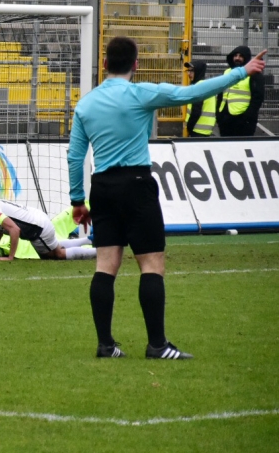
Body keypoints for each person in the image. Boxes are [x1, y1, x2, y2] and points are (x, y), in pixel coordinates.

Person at [68, 36, 266, 360]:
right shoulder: (141, 93)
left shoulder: (86, 104)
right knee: (151, 264)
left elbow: (75, 156)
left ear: (104, 64)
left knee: (105, 266)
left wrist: (78, 201)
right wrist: (241, 72)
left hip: (102, 187)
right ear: (135, 65)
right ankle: (157, 345)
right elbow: (192, 93)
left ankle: (106, 345)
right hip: (136, 184)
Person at [0, 191, 96, 261]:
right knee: (56, 248)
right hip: (38, 221)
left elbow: (14, 229)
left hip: (37, 228)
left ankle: (99, 252)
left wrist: (10, 257)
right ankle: (88, 240)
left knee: (57, 255)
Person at [217, 46, 265, 137]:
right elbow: (220, 95)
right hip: (225, 119)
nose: (237, 58)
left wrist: (247, 117)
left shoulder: (254, 74)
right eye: (235, 55)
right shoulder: (226, 72)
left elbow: (258, 98)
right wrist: (219, 115)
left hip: (244, 120)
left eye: (240, 56)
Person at [183, 61, 216, 137]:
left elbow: (196, 111)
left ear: (198, 71)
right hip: (205, 130)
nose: (188, 74)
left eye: (191, 71)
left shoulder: (199, 87)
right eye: (188, 70)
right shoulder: (206, 85)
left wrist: (189, 127)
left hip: (197, 129)